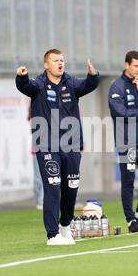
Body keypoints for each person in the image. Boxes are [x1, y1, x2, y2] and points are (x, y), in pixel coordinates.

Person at [16, 49, 99, 245]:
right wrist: (21, 77)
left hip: (70, 146)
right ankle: (52, 235)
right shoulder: (38, 84)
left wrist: (93, 75)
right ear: (46, 64)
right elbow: (25, 86)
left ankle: (65, 225)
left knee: (71, 188)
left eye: (62, 60)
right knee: (52, 187)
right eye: (56, 60)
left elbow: (88, 85)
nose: (60, 63)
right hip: (47, 146)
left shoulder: (71, 83)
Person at [108, 50, 138, 233]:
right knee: (128, 182)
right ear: (126, 65)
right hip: (127, 142)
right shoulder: (116, 87)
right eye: (135, 65)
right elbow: (120, 114)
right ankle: (130, 221)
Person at [27, 101, 44, 210]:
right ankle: (40, 200)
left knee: (39, 177)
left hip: (39, 149)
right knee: (39, 177)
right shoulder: (35, 117)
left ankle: (40, 200)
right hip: (38, 150)